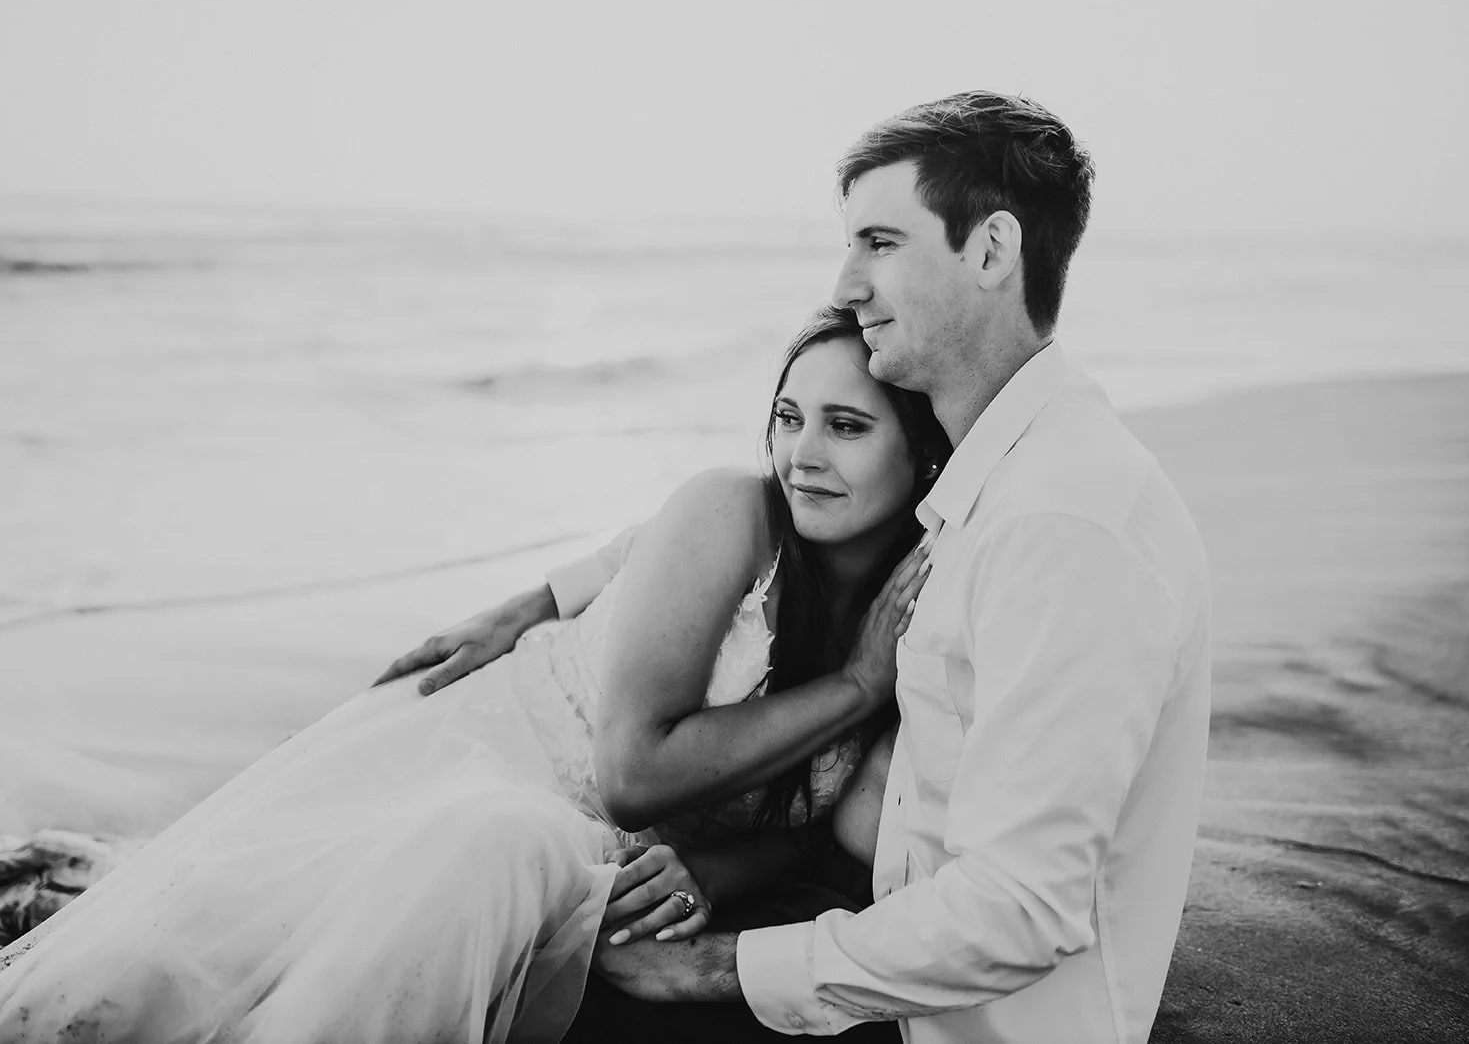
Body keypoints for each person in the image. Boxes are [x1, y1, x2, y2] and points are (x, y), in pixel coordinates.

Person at [0, 309, 950, 1043]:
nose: (801, 453)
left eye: (847, 426)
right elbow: (634, 772)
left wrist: (721, 872)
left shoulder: (926, 617)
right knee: (166, 979)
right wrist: (856, 686)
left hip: (568, 859)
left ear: (925, 459)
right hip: (466, 755)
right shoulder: (736, 511)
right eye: (787, 415)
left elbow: (817, 823)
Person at [444, 91, 1213, 1043]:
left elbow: (1018, 909)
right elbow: (761, 505)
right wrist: (554, 592)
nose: (847, 281)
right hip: (888, 978)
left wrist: (716, 968)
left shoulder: (1060, 523)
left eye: (880, 242)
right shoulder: (994, 486)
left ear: (991, 251)